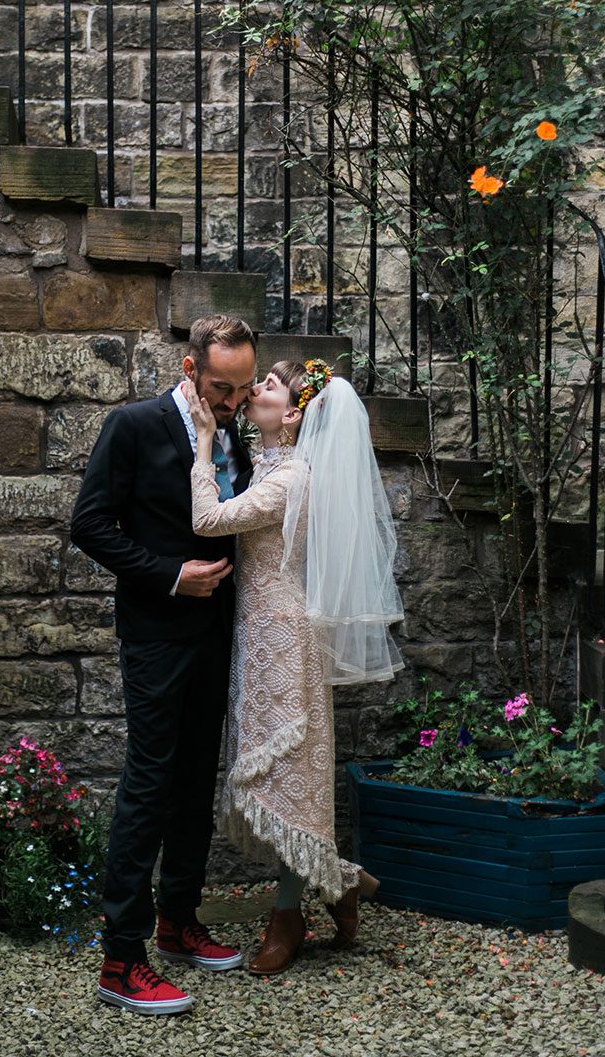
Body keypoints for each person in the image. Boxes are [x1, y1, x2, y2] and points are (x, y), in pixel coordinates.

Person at [186, 358, 404, 975]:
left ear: (296, 412)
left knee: (285, 777)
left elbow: (208, 519)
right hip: (257, 634)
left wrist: (203, 441)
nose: (255, 389)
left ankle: (288, 915)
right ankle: (342, 884)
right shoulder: (268, 464)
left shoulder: (292, 478)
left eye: (270, 385)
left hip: (285, 639)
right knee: (282, 775)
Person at [70, 315, 258, 1016]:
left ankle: (179, 922)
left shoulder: (236, 425)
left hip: (218, 630)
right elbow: (88, 524)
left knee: (193, 780)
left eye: (241, 390)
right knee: (148, 785)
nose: (232, 403)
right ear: (189, 369)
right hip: (156, 631)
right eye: (220, 388)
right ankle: (121, 958)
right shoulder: (135, 425)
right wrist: (171, 575)